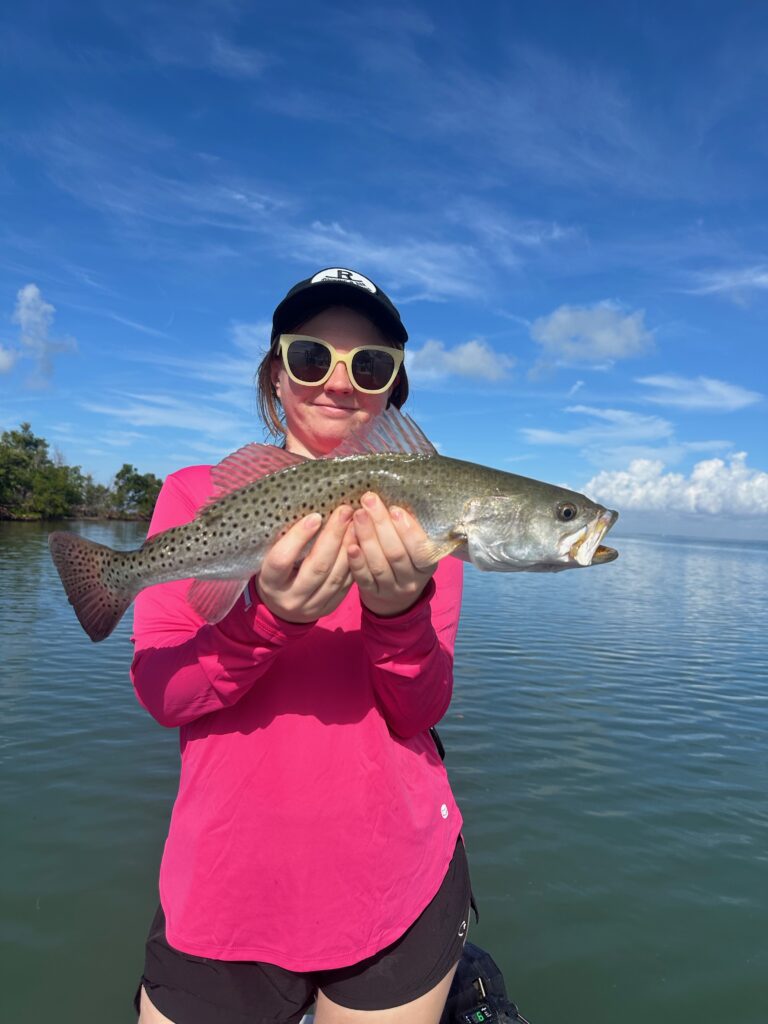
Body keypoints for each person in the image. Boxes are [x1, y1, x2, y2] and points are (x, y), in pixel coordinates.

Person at [132, 267, 470, 1024]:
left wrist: (398, 611)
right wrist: (264, 621)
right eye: (312, 357)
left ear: (393, 389)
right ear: (275, 371)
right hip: (224, 892)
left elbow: (418, 710)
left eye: (371, 365)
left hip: (398, 884)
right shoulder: (194, 495)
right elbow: (164, 693)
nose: (339, 384)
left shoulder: (425, 521)